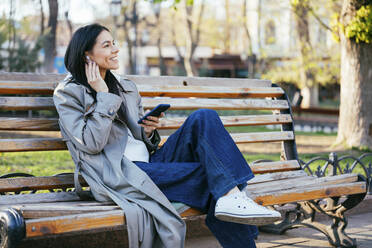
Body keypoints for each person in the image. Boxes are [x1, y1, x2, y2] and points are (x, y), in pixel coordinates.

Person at [54, 23, 281, 248]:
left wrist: (148, 133)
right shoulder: (68, 93)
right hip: (120, 173)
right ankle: (235, 201)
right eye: (107, 45)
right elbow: (91, 144)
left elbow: (142, 141)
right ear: (87, 56)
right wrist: (102, 95)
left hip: (151, 163)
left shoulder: (126, 87)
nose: (115, 49)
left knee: (204, 117)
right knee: (216, 179)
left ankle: (232, 198)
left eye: (114, 43)